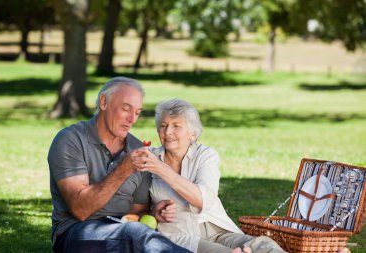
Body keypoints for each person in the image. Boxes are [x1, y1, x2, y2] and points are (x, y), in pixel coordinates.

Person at [48, 77, 192, 253]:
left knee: (137, 232)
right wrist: (123, 170)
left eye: (137, 112)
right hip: (77, 233)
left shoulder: (138, 149)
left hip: (125, 233)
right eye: (126, 108)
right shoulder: (71, 139)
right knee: (136, 233)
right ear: (103, 102)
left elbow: (137, 213)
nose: (132, 119)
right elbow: (80, 210)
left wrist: (153, 215)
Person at [131, 98, 286, 253]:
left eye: (176, 126)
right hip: (181, 235)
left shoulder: (205, 155)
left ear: (192, 134)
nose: (167, 132)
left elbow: (202, 200)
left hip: (217, 229)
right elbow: (137, 213)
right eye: (163, 126)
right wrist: (155, 213)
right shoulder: (149, 159)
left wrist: (161, 169)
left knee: (264, 245)